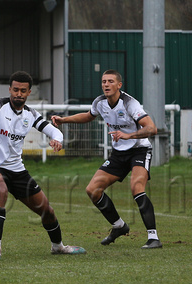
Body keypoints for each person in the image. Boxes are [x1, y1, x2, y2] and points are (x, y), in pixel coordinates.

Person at [0, 71, 86, 260]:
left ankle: (58, 246)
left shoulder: (31, 114)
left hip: (17, 170)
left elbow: (54, 131)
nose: (18, 94)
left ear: (29, 92)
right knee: (1, 190)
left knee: (47, 210)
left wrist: (57, 140)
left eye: (23, 91)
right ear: (10, 89)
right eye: (16, 89)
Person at [52, 69, 161, 249]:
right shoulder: (100, 102)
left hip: (139, 150)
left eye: (110, 81)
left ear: (119, 85)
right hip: (119, 154)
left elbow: (152, 129)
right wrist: (64, 120)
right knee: (93, 190)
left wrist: (129, 135)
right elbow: (88, 116)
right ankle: (119, 226)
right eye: (103, 81)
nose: (106, 85)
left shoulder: (130, 103)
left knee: (136, 187)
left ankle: (153, 237)